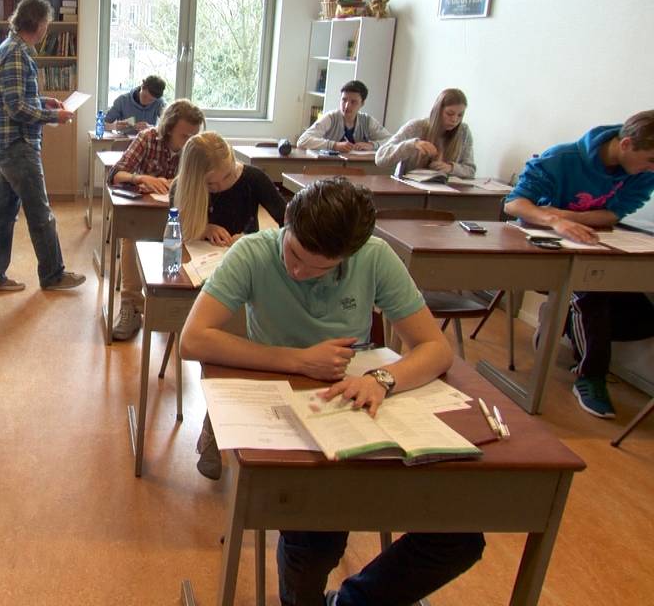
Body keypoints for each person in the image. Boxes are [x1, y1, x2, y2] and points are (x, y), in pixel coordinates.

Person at [180, 178, 480, 606]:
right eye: (295, 254)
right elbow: (194, 339)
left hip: (353, 406)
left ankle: (351, 601)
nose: (299, 272)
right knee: (315, 534)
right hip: (285, 413)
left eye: (317, 267)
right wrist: (298, 360)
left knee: (460, 536)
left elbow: (435, 348)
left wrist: (382, 380)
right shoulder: (254, 252)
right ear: (288, 223)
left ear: (348, 255)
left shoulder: (374, 257)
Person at [504, 110, 654, 418]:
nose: (652, 168)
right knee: (593, 293)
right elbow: (514, 203)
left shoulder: (643, 174)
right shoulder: (562, 158)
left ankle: (561, 322)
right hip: (543, 252)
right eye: (651, 160)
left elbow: (613, 216)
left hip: (594, 252)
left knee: (642, 317)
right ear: (626, 144)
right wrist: (554, 220)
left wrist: (566, 216)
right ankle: (590, 375)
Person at [0, 0, 84, 293]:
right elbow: (16, 108)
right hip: (18, 147)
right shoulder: (16, 53)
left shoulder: (11, 49)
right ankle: (53, 275)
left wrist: (45, 101)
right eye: (47, 24)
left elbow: (17, 101)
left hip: (7, 145)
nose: (47, 30)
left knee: (1, 214)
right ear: (39, 24)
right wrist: (55, 115)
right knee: (40, 213)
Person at [106, 99, 204, 340]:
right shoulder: (147, 139)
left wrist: (180, 186)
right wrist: (141, 178)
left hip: (177, 214)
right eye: (184, 135)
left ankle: (175, 304)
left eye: (194, 135)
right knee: (131, 237)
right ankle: (131, 306)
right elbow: (115, 175)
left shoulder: (194, 148)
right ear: (169, 128)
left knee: (189, 241)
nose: (188, 141)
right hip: (143, 212)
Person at [172, 130, 288, 247]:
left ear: (233, 161)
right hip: (199, 258)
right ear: (194, 181)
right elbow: (174, 232)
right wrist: (203, 230)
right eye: (211, 184)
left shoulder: (254, 179)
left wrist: (253, 239)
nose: (221, 186)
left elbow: (289, 224)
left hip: (247, 253)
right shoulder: (180, 187)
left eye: (228, 175)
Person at [376, 88, 475, 177]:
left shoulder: (464, 132)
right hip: (410, 190)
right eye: (449, 114)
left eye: (460, 115)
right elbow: (380, 158)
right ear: (438, 111)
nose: (454, 119)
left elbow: (470, 170)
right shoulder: (415, 127)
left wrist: (451, 168)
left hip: (446, 191)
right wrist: (412, 145)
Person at [297, 80, 390, 153]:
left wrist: (372, 145)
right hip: (328, 167)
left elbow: (392, 140)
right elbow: (302, 141)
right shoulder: (331, 118)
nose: (347, 106)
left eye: (353, 102)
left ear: (362, 104)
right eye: (344, 100)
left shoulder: (367, 121)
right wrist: (334, 145)